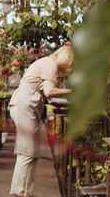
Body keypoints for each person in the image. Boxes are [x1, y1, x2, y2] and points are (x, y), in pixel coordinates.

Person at [9, 45, 74, 197]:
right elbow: (49, 91)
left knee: (32, 153)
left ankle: (26, 192)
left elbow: (48, 94)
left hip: (26, 108)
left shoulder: (46, 63)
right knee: (27, 152)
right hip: (24, 108)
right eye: (70, 64)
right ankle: (18, 192)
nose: (69, 68)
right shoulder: (50, 65)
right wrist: (73, 91)